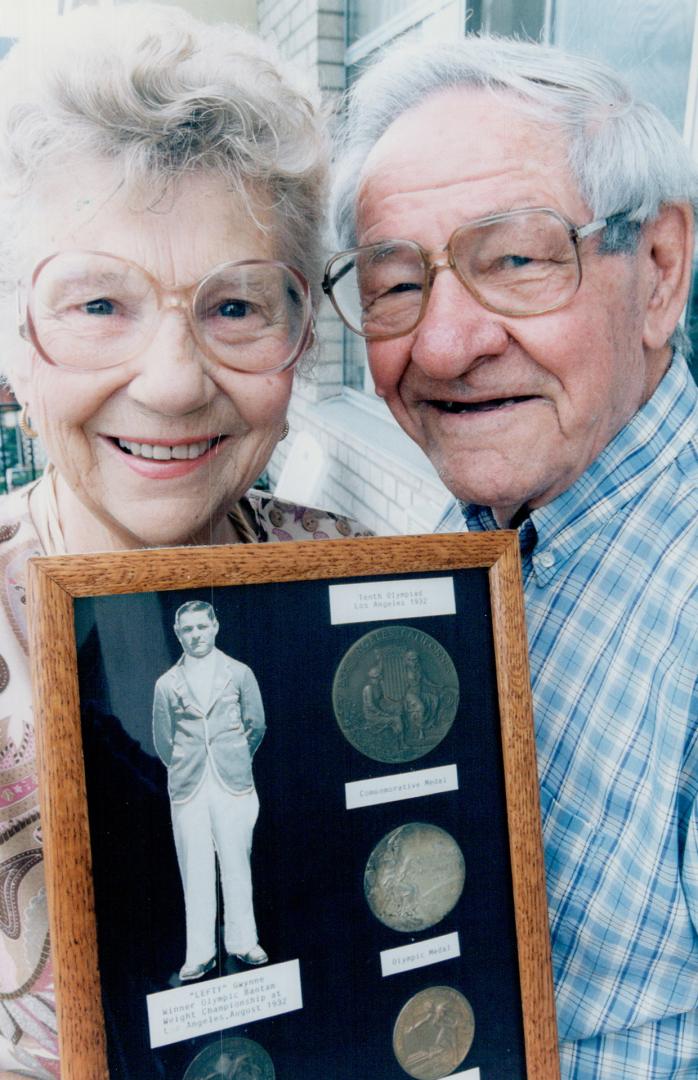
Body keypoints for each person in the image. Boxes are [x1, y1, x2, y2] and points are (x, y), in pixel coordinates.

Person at [0, 4, 366, 1076]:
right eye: (100, 302)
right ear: (13, 345)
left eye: (237, 307)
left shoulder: (350, 575)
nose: (171, 381)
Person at [325, 35, 698, 1079]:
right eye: (394, 284)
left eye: (517, 260)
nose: (442, 346)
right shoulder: (454, 551)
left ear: (658, 269)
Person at [153, 601, 266, 982]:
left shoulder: (239, 673)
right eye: (188, 629)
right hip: (188, 788)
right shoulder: (167, 684)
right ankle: (199, 954)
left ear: (215, 626)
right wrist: (188, 766)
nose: (196, 635)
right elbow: (162, 741)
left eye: (202, 626)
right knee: (196, 869)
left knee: (237, 863)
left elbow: (256, 725)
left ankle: (243, 942)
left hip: (233, 783)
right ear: (177, 633)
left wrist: (234, 758)